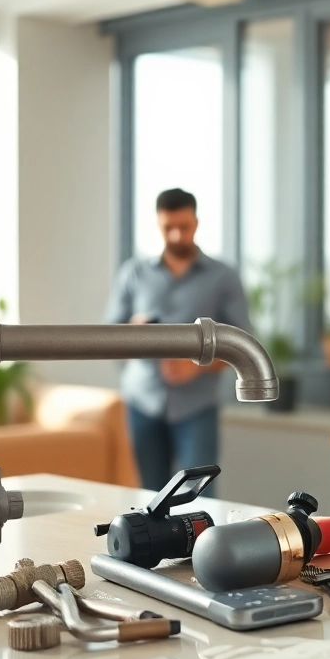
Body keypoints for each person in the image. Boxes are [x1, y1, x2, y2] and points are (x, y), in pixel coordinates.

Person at [104, 188, 252, 491]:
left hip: (196, 406)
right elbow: (106, 336)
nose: (175, 235)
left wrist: (197, 367)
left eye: (183, 227)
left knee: (200, 494)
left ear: (196, 223)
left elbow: (242, 344)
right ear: (158, 224)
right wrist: (132, 330)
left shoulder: (223, 277)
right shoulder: (134, 273)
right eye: (167, 227)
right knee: (150, 497)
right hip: (142, 402)